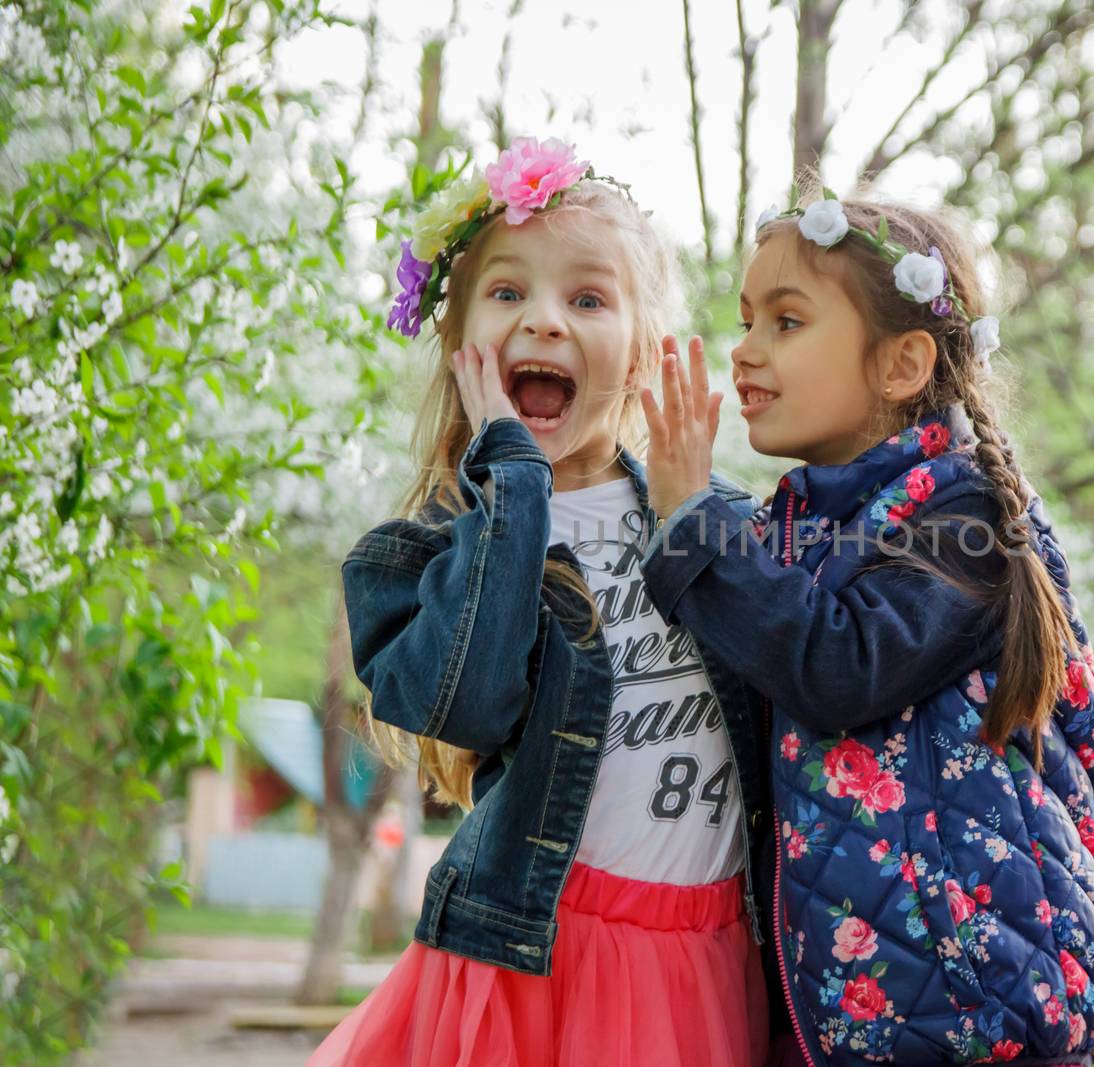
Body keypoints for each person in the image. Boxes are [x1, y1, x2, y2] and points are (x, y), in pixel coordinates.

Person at [308, 135, 769, 1067]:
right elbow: (469, 701)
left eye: (588, 298)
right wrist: (512, 478)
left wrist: (699, 515)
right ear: (459, 342)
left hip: (711, 956)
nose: (546, 321)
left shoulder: (705, 520)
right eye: (509, 292)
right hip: (538, 958)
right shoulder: (425, 556)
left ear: (641, 352)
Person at [640, 194, 1094, 1065]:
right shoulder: (787, 531)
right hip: (832, 1015)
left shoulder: (970, 518)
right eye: (746, 320)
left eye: (787, 321)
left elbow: (841, 664)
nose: (745, 350)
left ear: (903, 364)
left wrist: (692, 525)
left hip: (967, 1010)